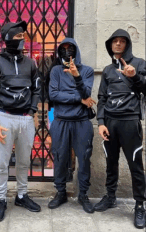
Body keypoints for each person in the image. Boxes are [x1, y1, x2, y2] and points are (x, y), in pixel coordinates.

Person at [0, 21, 41, 222]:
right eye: (18, 37)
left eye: (23, 37)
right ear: (7, 39)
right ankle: (1, 199)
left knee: (24, 161)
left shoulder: (31, 63)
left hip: (25, 119)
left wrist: (32, 111)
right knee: (1, 163)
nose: (22, 40)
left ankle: (21, 195)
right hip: (4, 118)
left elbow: (37, 89)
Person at [95, 29, 146, 229]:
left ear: (127, 44)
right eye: (114, 41)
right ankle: (110, 196)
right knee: (111, 162)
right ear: (110, 45)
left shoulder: (140, 64)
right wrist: (100, 123)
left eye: (121, 41)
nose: (117, 44)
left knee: (136, 166)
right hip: (110, 122)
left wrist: (134, 77)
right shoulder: (107, 70)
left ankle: (140, 205)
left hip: (130, 122)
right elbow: (101, 98)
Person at [48, 37, 96, 213]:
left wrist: (77, 77)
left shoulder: (87, 71)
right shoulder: (55, 72)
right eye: (64, 48)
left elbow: (86, 92)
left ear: (76, 50)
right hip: (60, 121)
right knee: (60, 158)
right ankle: (60, 192)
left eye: (71, 48)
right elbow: (54, 95)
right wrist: (79, 99)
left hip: (82, 122)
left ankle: (83, 194)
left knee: (84, 159)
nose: (67, 52)